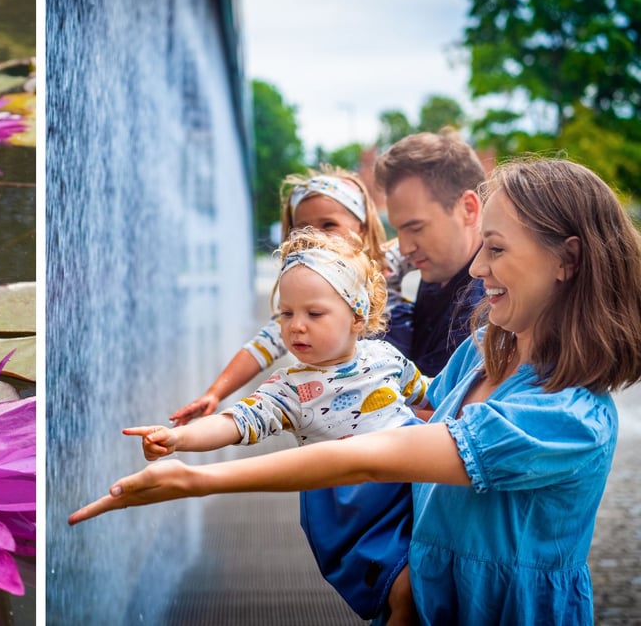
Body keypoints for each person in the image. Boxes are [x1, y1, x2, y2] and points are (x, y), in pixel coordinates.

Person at [70, 158, 641, 624]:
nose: (476, 270)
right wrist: (321, 391)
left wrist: (200, 479)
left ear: (567, 259)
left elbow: (376, 458)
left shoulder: (569, 419)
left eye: (495, 249)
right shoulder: (484, 348)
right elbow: (403, 407)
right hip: (431, 592)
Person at [127, 227, 427, 622]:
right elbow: (236, 422)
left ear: (357, 316)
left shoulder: (386, 357)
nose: (296, 326)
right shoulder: (291, 389)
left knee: (430, 579)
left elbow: (431, 395)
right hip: (359, 511)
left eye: (314, 314)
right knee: (403, 592)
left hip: (413, 485)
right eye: (286, 314)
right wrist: (179, 437)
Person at [170, 166, 412, 425]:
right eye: (303, 228)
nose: (315, 236)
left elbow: (434, 241)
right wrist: (214, 394)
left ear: (362, 228)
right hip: (347, 414)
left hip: (401, 392)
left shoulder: (388, 262)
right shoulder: (305, 302)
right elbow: (260, 347)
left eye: (328, 225)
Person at [375, 129, 487, 377]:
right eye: (398, 230)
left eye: (416, 228)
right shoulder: (441, 270)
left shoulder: (487, 309)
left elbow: (444, 411)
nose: (405, 248)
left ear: (468, 208)